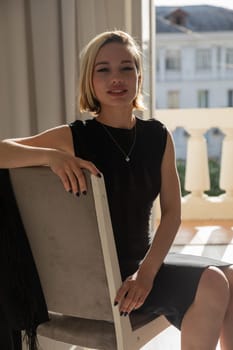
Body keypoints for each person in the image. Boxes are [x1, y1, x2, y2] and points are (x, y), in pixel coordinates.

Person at [0, 30, 233, 350]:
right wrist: (50, 156)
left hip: (142, 270)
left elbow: (172, 213)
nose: (116, 78)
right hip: (97, 282)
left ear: (139, 76)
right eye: (103, 69)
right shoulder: (75, 136)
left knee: (227, 278)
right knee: (215, 282)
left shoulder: (158, 136)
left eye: (126, 67)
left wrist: (147, 274)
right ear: (89, 80)